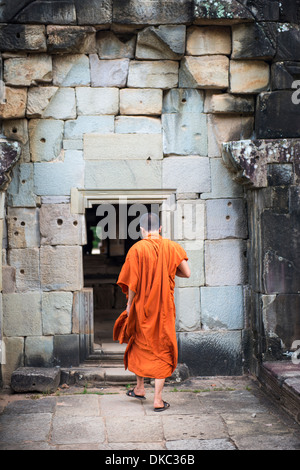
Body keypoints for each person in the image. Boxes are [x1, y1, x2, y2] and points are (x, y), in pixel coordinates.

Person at [114, 212, 191, 412]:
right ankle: (154, 397)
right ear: (160, 228)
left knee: (139, 343)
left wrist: (129, 305)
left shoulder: (137, 249)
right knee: (162, 348)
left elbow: (132, 282)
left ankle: (141, 387)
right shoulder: (172, 247)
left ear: (141, 229)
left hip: (141, 307)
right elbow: (187, 273)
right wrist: (167, 270)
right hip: (164, 308)